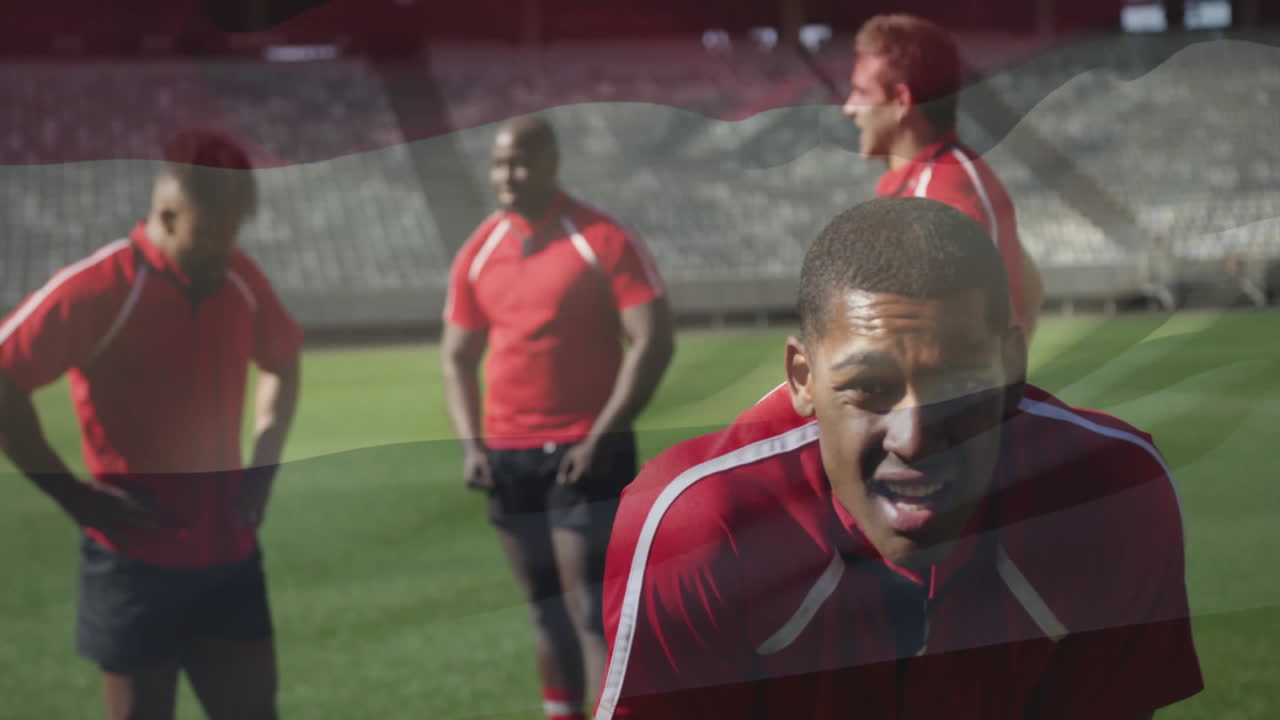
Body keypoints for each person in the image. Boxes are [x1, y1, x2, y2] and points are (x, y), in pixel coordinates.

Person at [595, 197, 1202, 719]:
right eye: (869, 389)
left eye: (958, 386)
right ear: (803, 378)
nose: (913, 438)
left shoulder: (1111, 497)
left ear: (1011, 368)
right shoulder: (700, 527)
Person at [0, 130, 302, 720]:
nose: (227, 245)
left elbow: (283, 363)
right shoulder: (103, 286)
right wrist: (72, 497)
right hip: (135, 559)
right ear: (166, 215)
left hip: (228, 551)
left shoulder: (240, 277)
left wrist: (264, 462)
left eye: (235, 227)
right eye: (212, 228)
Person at [441, 115, 674, 720]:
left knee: (591, 609)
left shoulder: (600, 237)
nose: (508, 176)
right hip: (509, 456)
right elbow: (457, 358)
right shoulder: (479, 250)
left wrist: (604, 434)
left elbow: (652, 341)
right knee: (544, 608)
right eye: (498, 164)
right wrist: (472, 446)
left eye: (520, 161)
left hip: (586, 453)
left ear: (551, 162)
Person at [843, 13, 1045, 339]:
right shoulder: (950, 176)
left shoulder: (938, 196)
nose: (849, 108)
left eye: (861, 93)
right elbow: (1030, 286)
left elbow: (935, 339)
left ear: (901, 102)